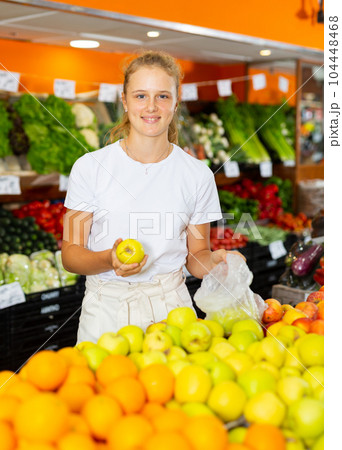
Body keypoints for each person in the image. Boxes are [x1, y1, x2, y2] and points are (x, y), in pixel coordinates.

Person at [62, 50, 241, 344]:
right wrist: (109, 259)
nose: (151, 107)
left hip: (171, 312)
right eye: (141, 96)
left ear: (176, 101)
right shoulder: (90, 167)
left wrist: (217, 262)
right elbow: (70, 253)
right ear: (124, 100)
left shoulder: (197, 174)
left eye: (162, 96)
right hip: (106, 313)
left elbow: (196, 257)